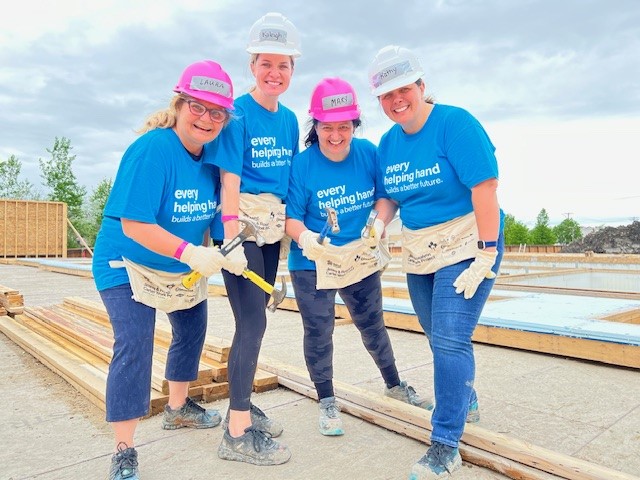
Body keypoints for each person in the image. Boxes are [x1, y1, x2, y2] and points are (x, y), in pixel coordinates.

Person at [91, 60, 247, 480]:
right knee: (135, 340)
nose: (206, 119)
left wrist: (229, 247)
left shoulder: (213, 158)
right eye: (197, 107)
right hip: (126, 261)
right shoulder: (152, 150)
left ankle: (177, 409)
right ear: (179, 104)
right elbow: (134, 224)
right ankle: (124, 448)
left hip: (177, 262)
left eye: (217, 113)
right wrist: (191, 252)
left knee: (193, 327)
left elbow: (218, 212)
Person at [367, 46, 505, 480]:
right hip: (421, 250)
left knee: (449, 338)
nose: (397, 101)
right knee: (436, 335)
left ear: (421, 86)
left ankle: (445, 443)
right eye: (387, 95)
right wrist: (378, 224)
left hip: (467, 242)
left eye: (404, 89)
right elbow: (389, 197)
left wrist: (486, 251)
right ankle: (465, 399)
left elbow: (485, 187)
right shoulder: (388, 143)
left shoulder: (454, 124)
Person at [285, 77, 433, 437]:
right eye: (327, 127)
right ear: (315, 126)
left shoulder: (368, 153)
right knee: (319, 331)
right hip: (314, 261)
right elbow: (291, 217)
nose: (336, 135)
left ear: (355, 124)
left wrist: (378, 224)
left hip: (358, 255)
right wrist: (305, 238)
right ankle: (327, 400)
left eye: (344, 127)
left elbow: (386, 196)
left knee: (372, 325)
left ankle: (394, 384)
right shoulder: (302, 165)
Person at [213, 12, 300, 466]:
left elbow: (289, 182)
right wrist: (230, 238)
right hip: (241, 224)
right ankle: (237, 432)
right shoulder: (238, 114)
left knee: (254, 320)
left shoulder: (290, 120)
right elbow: (229, 178)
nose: (274, 72)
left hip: (271, 227)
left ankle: (239, 406)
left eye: (283, 65)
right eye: (266, 63)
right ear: (252, 66)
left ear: (292, 69)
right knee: (252, 323)